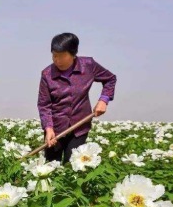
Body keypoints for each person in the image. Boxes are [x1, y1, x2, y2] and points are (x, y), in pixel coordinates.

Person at [37, 33, 117, 163]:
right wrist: (48, 128)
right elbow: (44, 105)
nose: (56, 60)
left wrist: (104, 100)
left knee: (73, 164)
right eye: (54, 55)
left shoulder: (88, 65)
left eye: (61, 56)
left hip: (79, 127)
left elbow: (110, 79)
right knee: (51, 166)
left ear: (73, 54)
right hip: (55, 129)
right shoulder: (47, 74)